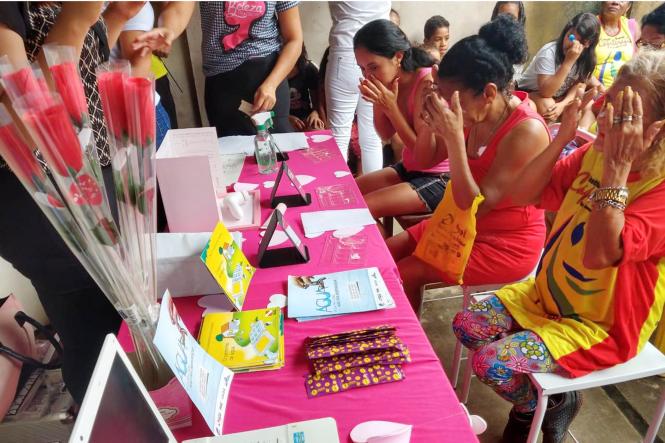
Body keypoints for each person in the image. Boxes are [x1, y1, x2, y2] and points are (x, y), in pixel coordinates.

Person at [452, 50, 665, 442]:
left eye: (622, 113)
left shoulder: (658, 189)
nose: (601, 112)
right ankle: (539, 405)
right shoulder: (595, 153)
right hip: (546, 297)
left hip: (600, 327)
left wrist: (617, 171)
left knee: (491, 363)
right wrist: (562, 137)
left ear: (657, 132)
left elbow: (600, 254)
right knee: (467, 323)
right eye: (608, 98)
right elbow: (524, 193)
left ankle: (530, 410)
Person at [0, 0, 147, 404]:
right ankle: (110, 424)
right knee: (91, 325)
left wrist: (115, 19)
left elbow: (79, 69)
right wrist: (78, 18)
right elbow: (25, 118)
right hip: (38, 193)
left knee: (118, 319)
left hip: (88, 177)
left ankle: (129, 418)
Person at [388, 15, 550, 311]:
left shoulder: (526, 131)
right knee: (385, 254)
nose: (449, 105)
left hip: (505, 242)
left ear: (488, 93)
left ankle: (409, 349)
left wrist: (452, 137)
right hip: (460, 223)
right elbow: (424, 160)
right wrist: (426, 119)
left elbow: (474, 204)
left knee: (407, 272)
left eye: (452, 100)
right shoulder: (472, 110)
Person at [353, 19, 446, 238]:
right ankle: (380, 252)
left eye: (373, 67)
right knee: (348, 193)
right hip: (410, 168)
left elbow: (424, 158)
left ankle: (382, 263)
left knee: (362, 208)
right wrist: (379, 101)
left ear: (398, 57)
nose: (368, 75)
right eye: (362, 68)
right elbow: (385, 134)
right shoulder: (390, 82)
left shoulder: (426, 85)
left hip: (439, 177)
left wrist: (391, 107)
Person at [197, 2, 302, 137]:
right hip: (223, 82)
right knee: (231, 152)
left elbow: (294, 39)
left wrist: (271, 85)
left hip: (268, 78)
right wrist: (169, 31)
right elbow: (178, 10)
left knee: (279, 147)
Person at [326, 1, 390, 174]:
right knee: (372, 138)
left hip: (345, 53)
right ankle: (372, 194)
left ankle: (336, 194)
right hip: (378, 59)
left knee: (339, 136)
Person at [518, 12, 601, 123]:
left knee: (587, 105)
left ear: (588, 44)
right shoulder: (549, 52)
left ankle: (576, 137)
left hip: (559, 97)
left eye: (580, 41)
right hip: (530, 93)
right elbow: (546, 92)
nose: (571, 44)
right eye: (570, 37)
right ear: (566, 31)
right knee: (549, 107)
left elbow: (579, 84)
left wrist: (563, 104)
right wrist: (568, 62)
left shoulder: (586, 58)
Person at [593, 1, 640, 89]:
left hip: (625, 90)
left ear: (628, 7)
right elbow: (580, 67)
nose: (615, 2)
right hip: (593, 90)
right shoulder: (591, 25)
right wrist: (603, 90)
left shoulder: (632, 26)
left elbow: (638, 62)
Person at [288, 44, 325, 132]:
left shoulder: (308, 68)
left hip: (305, 116)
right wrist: (285, 118)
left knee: (318, 130)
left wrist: (315, 113)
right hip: (281, 117)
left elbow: (317, 102)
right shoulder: (271, 70)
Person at [491, 1, 527, 84]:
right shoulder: (484, 44)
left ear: (519, 20)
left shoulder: (519, 47)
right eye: (502, 16)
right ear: (495, 16)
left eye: (512, 18)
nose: (506, 21)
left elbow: (512, 83)